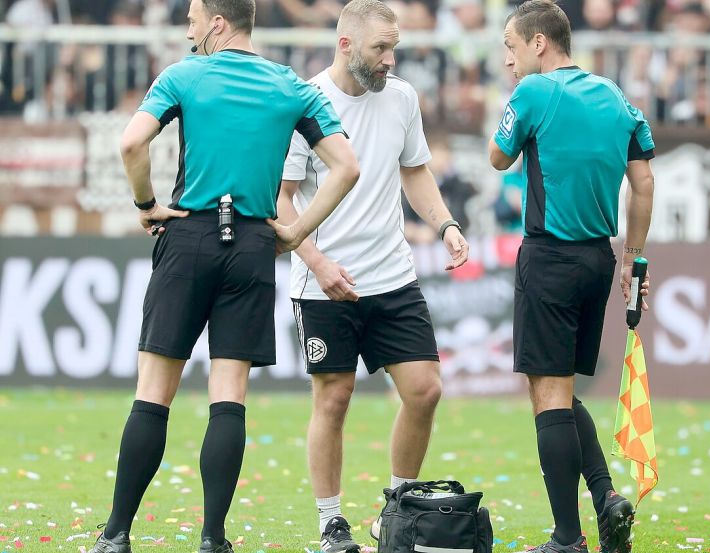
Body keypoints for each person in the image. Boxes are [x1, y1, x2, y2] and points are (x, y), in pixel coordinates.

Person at [87, 1, 360, 552]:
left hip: (188, 237)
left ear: (217, 22)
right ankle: (213, 538)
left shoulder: (183, 75)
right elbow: (348, 167)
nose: (188, 28)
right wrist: (295, 230)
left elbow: (131, 142)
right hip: (255, 243)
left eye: (193, 18)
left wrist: (146, 203)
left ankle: (116, 534)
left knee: (153, 391)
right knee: (229, 395)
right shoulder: (290, 86)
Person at [274, 1, 469, 551]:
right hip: (323, 282)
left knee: (426, 390)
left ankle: (398, 509)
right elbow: (281, 200)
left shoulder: (402, 98)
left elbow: (415, 172)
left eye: (394, 48)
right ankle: (331, 522)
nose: (390, 59)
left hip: (392, 275)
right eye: (380, 48)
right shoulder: (305, 104)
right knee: (333, 399)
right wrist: (317, 262)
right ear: (345, 45)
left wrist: (446, 224)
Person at [487, 1, 655, 552]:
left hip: (550, 257)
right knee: (559, 390)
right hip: (599, 262)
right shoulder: (614, 96)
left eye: (512, 46)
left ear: (540, 43)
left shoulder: (536, 93)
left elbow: (496, 156)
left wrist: (517, 114)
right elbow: (644, 181)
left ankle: (566, 537)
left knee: (549, 394)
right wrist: (635, 259)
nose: (508, 61)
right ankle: (607, 499)